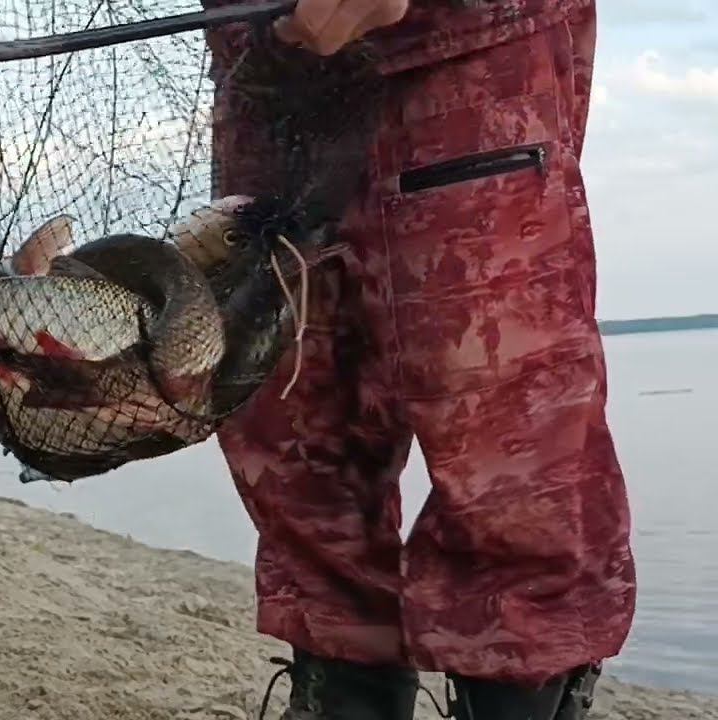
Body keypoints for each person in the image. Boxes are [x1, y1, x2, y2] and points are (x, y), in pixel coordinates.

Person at [204, 1, 635, 718]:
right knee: (296, 432)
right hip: (270, 74)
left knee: (511, 452)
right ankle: (342, 694)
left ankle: (517, 702)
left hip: (464, 57)